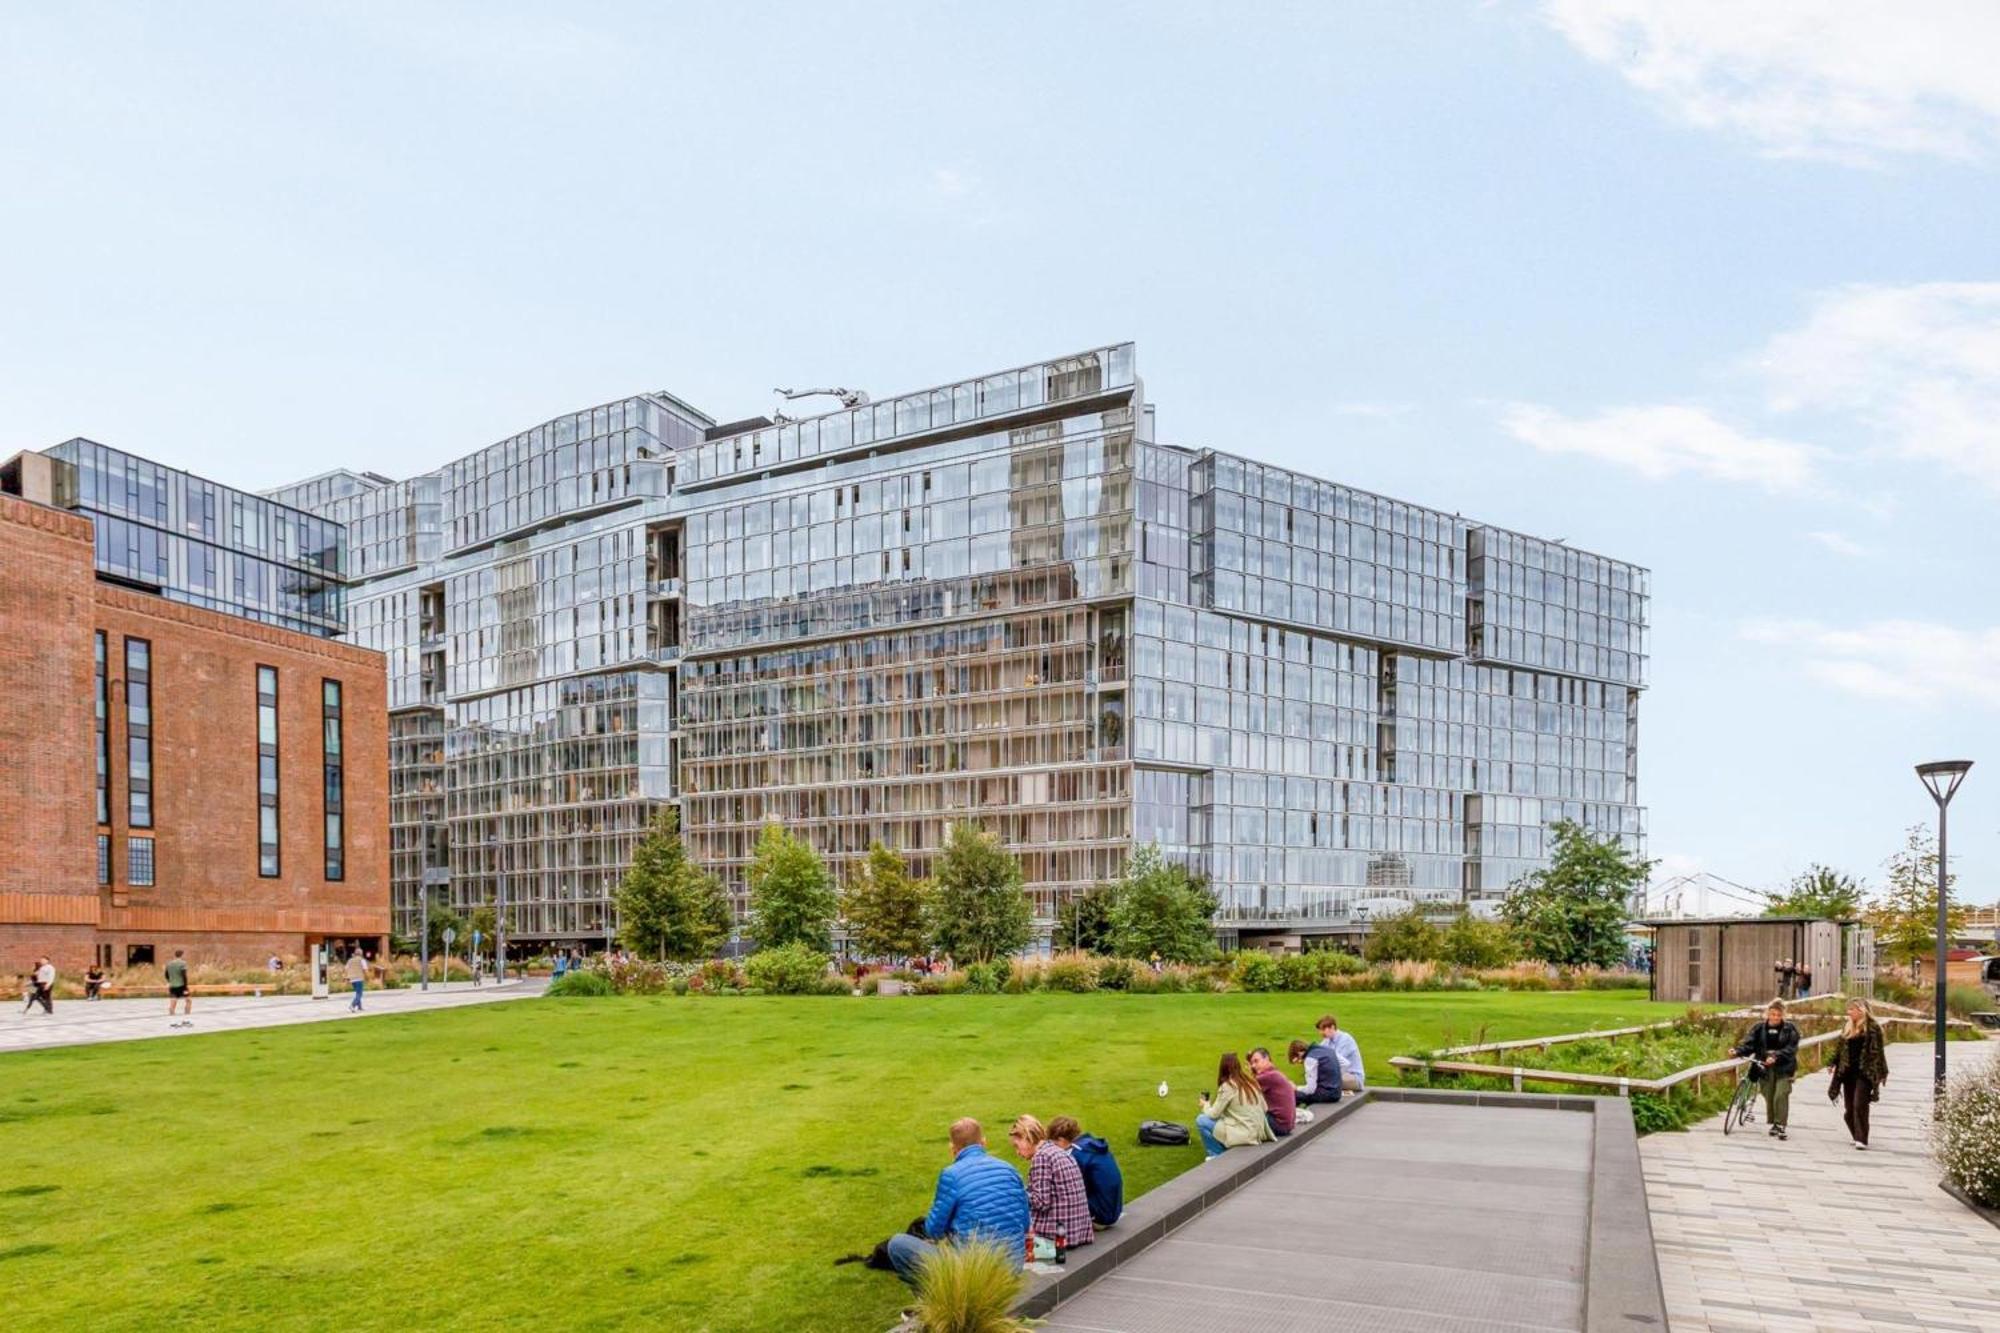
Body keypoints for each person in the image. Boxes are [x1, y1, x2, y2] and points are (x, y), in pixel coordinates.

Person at [887, 1117, 1030, 1285]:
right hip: (1013, 1266)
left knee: (897, 1244)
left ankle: (931, 1303)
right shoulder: (1009, 1169)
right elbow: (1025, 1223)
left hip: (974, 1271)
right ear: (983, 1142)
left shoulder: (951, 1175)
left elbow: (933, 1230)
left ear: (952, 1148)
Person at [1008, 1114, 1093, 1249]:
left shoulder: (1041, 1157)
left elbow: (1041, 1203)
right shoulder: (1058, 1151)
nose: (1017, 1152)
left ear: (1026, 1137)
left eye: (1017, 1146)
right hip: (1078, 1231)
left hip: (1058, 1237)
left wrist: (1016, 1192)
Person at [1826, 997, 1889, 1150]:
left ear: (1861, 1010)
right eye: (1849, 1009)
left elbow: (1878, 1052)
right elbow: (1840, 1048)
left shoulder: (1873, 1028)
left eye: (1852, 1009)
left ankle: (1862, 1139)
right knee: (1849, 1110)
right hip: (1847, 1072)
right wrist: (1832, 1062)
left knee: (1859, 1104)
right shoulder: (1847, 1027)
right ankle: (1856, 1134)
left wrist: (1882, 1071)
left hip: (1864, 1072)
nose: (1849, 1012)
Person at [1733, 999, 1801, 1140]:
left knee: (1781, 1094)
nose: (1775, 1017)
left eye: (1778, 1015)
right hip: (1764, 1067)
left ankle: (1781, 1125)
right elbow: (1749, 1044)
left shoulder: (1790, 1029)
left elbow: (1791, 1049)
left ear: (1783, 1015)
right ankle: (1774, 1123)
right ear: (1767, 1014)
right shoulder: (1758, 1028)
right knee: (1769, 1095)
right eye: (1773, 1014)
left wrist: (1776, 1056)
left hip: (1784, 1067)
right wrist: (1738, 1051)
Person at [1047, 1116, 1121, 1229]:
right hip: (1113, 1211)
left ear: (1061, 1140)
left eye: (1054, 1144)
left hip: (1099, 1217)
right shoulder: (1091, 1145)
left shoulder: (1075, 1155)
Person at [1194, 1053, 1272, 1159]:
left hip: (1244, 1133)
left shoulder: (1228, 1086)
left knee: (1201, 1120)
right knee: (1221, 1119)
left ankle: (1216, 1155)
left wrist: (1205, 1105)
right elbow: (1265, 1108)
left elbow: (1213, 1114)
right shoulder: (1251, 1082)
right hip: (1258, 1132)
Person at [1248, 1047, 1296, 1137]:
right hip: (1287, 1124)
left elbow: (1245, 1091)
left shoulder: (1268, 1076)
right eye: (1251, 1063)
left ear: (1266, 1059)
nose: (1253, 1066)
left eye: (1256, 1061)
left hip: (1279, 1124)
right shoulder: (1275, 1073)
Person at [1316, 1013, 1366, 1092]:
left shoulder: (1345, 1039)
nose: (1321, 1033)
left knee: (1323, 1080)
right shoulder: (1327, 1041)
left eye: (1323, 1030)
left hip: (1354, 1077)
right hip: (1341, 1075)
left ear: (1332, 1027)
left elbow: (1335, 1063)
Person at [1289, 1037, 1342, 1108]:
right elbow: (1345, 1064)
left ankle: (1293, 1115)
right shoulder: (1326, 1049)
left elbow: (1310, 1089)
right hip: (1337, 1092)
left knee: (1292, 1094)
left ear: (1299, 1053)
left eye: (1298, 1060)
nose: (1301, 1063)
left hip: (1327, 1095)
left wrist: (1295, 1088)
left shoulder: (1310, 1059)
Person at [165, 949, 193, 1026]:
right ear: (182, 955)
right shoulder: (183, 963)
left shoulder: (169, 963)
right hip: (181, 986)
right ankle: (186, 1020)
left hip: (172, 986)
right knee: (188, 1001)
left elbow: (166, 975)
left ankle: (172, 1022)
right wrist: (185, 986)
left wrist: (170, 981)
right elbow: (184, 975)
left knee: (173, 1003)